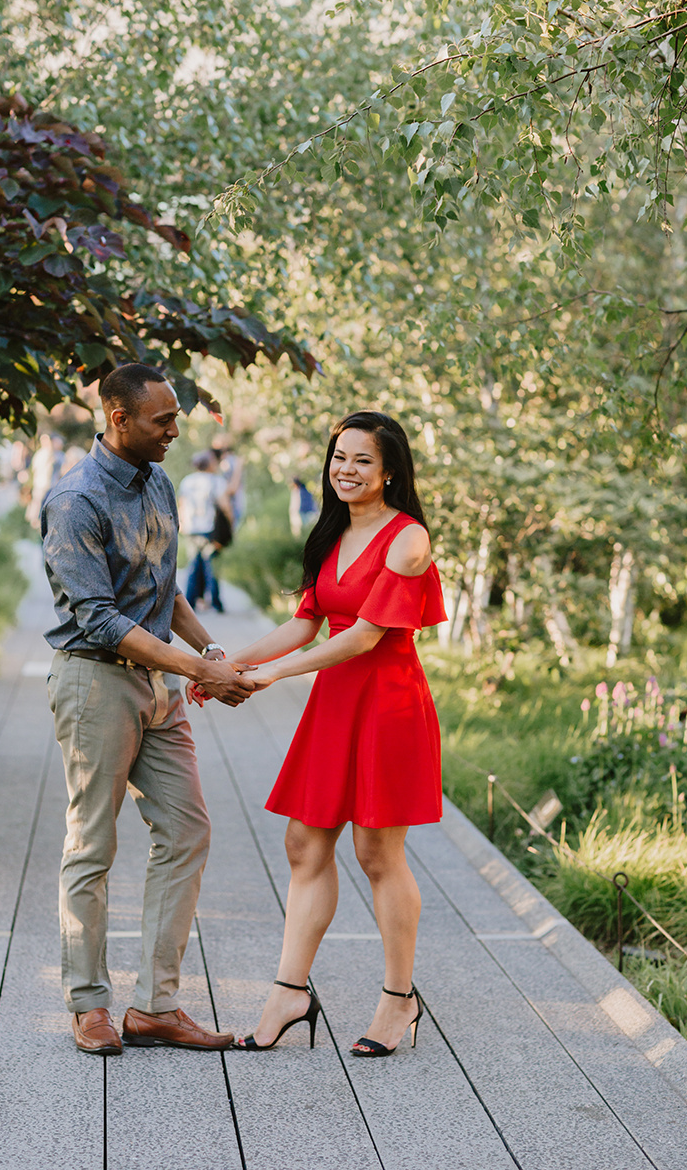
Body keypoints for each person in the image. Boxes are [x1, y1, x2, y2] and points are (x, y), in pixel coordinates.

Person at [212, 410, 446, 1058]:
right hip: (336, 703)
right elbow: (304, 624)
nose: (345, 469)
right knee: (304, 843)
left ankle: (400, 1000)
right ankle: (290, 992)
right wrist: (230, 665)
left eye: (361, 460)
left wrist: (269, 678)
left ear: (390, 470)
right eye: (339, 457)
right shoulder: (332, 530)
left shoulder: (408, 539)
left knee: (378, 853)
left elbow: (366, 635)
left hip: (389, 705)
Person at [41, 362, 254, 1057]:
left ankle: (157, 1005)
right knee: (92, 846)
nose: (175, 429)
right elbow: (99, 618)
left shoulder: (157, 480)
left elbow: (165, 589)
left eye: (175, 416)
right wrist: (199, 670)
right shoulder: (74, 500)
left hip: (160, 686)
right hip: (96, 682)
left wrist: (211, 650)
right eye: (162, 419)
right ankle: (89, 1004)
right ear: (117, 418)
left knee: (187, 831)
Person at [177, 450, 231, 613]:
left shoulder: (187, 481)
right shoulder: (216, 481)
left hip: (192, 529)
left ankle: (190, 602)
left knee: (193, 565)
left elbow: (182, 504)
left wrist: (182, 524)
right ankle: (216, 602)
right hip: (210, 530)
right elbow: (225, 506)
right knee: (211, 566)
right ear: (209, 465)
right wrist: (230, 524)